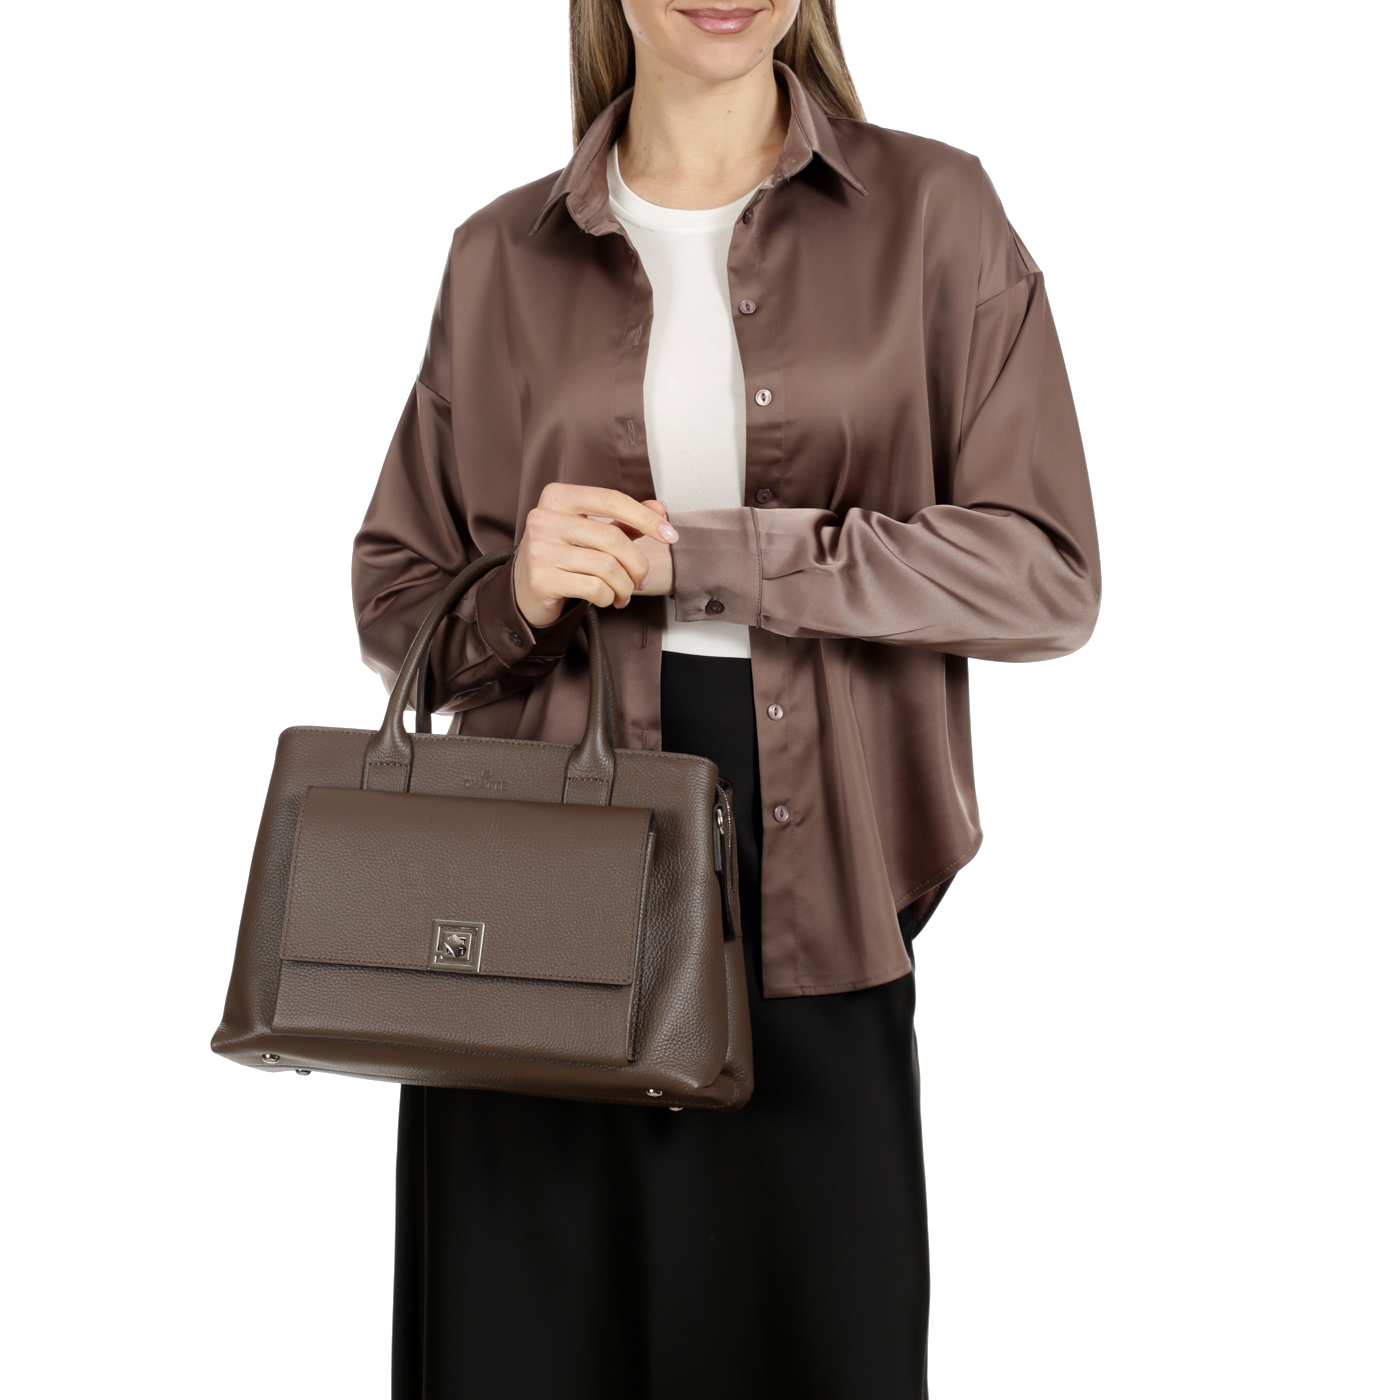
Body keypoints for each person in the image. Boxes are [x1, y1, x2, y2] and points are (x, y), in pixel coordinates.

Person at [351, 1, 1100, 1395]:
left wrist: (722, 556)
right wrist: (520, 591)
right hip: (532, 895)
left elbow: (1045, 571)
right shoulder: (498, 254)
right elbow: (398, 599)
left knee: (812, 1344)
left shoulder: (934, 213)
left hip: (813, 876)